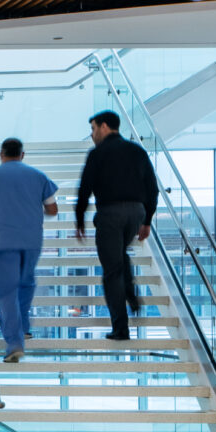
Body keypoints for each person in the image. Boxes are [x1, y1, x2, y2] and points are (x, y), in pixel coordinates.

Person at [0, 138, 60, 363]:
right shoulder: (38, 176)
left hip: (3, 242)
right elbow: (52, 209)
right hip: (31, 241)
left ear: (1, 154)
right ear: (22, 154)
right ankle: (24, 327)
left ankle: (14, 343)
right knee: (27, 283)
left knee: (6, 292)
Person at [76, 110, 159, 340]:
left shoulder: (97, 154)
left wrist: (80, 219)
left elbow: (84, 188)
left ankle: (120, 328)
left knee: (111, 272)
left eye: (93, 129)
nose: (92, 135)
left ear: (104, 127)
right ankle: (131, 293)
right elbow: (152, 188)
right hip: (136, 212)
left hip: (110, 213)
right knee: (119, 254)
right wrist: (147, 220)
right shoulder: (137, 151)